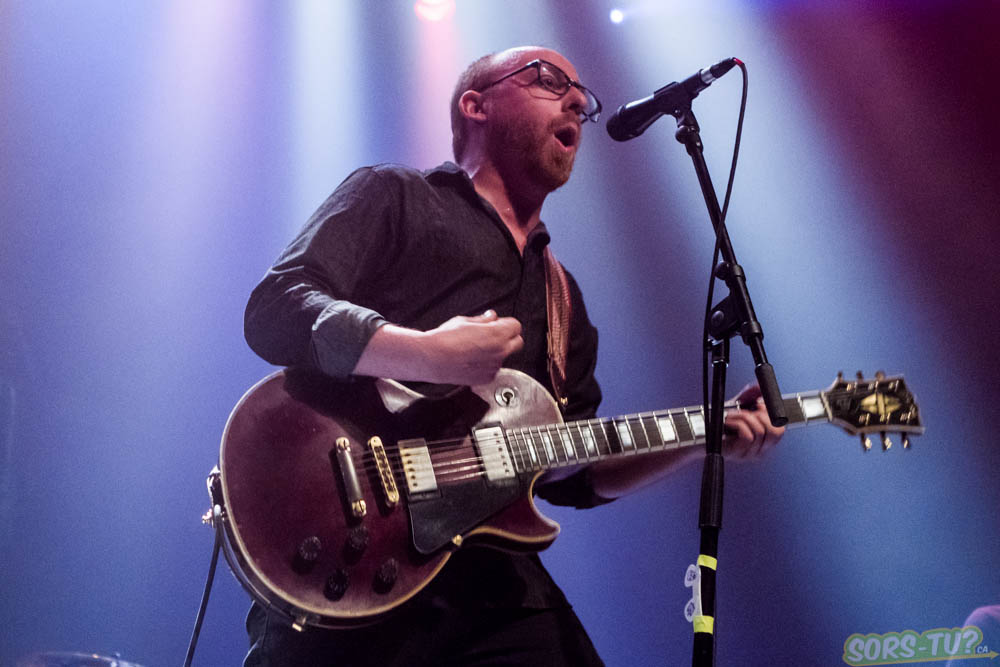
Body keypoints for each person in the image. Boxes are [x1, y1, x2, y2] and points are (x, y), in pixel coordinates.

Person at [241, 45, 784, 667]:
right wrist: (425, 354)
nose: (576, 100)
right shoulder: (397, 196)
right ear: (477, 105)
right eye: (549, 80)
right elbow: (275, 307)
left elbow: (573, 472)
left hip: (494, 587)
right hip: (352, 558)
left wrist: (702, 435)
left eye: (583, 97)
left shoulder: (562, 296)